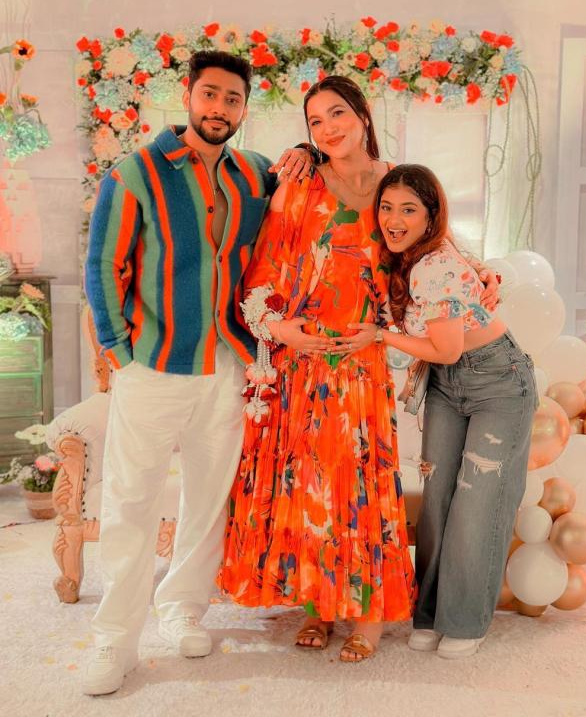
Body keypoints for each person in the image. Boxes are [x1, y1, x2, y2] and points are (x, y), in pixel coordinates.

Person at [218, 77, 498, 662]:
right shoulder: (298, 184)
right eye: (315, 121)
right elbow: (262, 271)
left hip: (362, 356)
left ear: (363, 115)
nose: (328, 129)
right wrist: (280, 329)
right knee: (308, 486)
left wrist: (482, 272)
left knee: (360, 486)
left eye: (338, 113)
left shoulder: (395, 184)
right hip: (302, 358)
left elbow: (432, 239)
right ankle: (317, 605)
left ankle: (367, 614)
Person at [82, 50, 313, 696]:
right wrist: (118, 352)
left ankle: (182, 608)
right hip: (153, 366)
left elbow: (307, 178)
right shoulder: (134, 173)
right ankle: (113, 639)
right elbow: (102, 265)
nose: (219, 108)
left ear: (244, 108)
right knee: (131, 501)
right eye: (210, 94)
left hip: (228, 366)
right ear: (187, 95)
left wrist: (303, 148)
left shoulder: (253, 172)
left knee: (208, 500)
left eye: (233, 99)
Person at [374, 163, 537, 659]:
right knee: (437, 499)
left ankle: (464, 620)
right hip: (446, 384)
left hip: (498, 381)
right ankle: (429, 614)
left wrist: (379, 335)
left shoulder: (432, 265)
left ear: (431, 215)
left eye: (409, 210)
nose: (394, 219)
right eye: (386, 207)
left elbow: (444, 349)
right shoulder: (401, 255)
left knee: (477, 502)